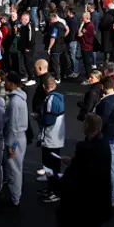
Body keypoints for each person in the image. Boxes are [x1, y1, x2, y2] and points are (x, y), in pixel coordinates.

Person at [54, 113, 112, 227]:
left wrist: (56, 181)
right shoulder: (103, 144)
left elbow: (79, 175)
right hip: (98, 201)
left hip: (83, 203)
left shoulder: (85, 148)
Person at [95, 76, 114, 206]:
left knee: (111, 167)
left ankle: (111, 197)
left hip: (107, 137)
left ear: (103, 87)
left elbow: (101, 121)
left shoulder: (106, 103)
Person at [37, 76, 66, 204]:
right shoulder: (58, 98)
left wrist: (38, 117)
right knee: (52, 165)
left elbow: (48, 120)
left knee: (50, 166)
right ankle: (51, 188)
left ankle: (55, 191)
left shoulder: (51, 100)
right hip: (55, 137)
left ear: (44, 87)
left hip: (51, 137)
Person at [3, 71, 28, 208]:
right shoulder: (20, 98)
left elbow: (13, 125)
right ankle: (15, 195)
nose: (4, 83)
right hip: (19, 137)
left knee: (14, 169)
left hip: (15, 139)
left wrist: (10, 146)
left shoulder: (14, 102)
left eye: (6, 81)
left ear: (12, 84)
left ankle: (15, 198)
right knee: (16, 168)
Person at [47, 13, 68, 83]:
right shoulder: (61, 24)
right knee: (61, 62)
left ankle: (57, 78)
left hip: (55, 47)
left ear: (52, 19)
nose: (50, 21)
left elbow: (53, 38)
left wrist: (49, 47)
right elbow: (67, 30)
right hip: (62, 46)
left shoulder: (54, 27)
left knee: (55, 63)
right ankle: (62, 74)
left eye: (50, 20)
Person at [78, 11, 95, 79]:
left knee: (87, 64)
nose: (82, 19)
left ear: (87, 18)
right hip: (84, 46)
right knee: (86, 63)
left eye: (83, 18)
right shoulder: (87, 24)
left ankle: (89, 78)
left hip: (87, 47)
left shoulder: (89, 26)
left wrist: (81, 25)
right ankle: (88, 77)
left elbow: (79, 34)